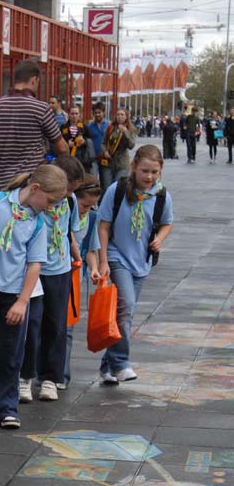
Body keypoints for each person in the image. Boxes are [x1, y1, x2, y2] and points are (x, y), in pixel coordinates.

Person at [0, 165, 67, 429]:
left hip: (14, 295)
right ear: (35, 189)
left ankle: (6, 408)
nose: (51, 207)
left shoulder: (38, 223)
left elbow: (34, 265)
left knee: (10, 354)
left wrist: (22, 301)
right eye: (50, 201)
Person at [96, 144, 174, 384]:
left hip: (141, 261)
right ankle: (121, 363)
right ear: (133, 167)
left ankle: (107, 366)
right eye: (144, 171)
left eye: (154, 172)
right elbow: (103, 225)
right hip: (117, 255)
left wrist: (160, 239)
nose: (149, 177)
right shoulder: (116, 190)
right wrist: (103, 261)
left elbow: (167, 223)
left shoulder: (161, 195)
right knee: (126, 307)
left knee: (124, 314)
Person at [19, 155, 84, 402]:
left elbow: (70, 233)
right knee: (31, 324)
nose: (67, 195)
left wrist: (78, 258)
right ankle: (25, 376)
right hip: (33, 269)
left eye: (71, 192)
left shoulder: (70, 201)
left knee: (57, 325)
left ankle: (50, 378)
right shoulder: (33, 199)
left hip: (60, 269)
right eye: (66, 190)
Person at [0, 60, 68, 200]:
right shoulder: (41, 109)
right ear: (34, 80)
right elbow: (62, 148)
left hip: (1, 188)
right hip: (31, 189)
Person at [63, 175, 103, 387]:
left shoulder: (92, 218)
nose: (86, 209)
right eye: (84, 204)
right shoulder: (64, 212)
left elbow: (90, 249)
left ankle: (62, 375)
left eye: (91, 206)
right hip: (57, 272)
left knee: (68, 327)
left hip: (75, 277)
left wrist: (94, 269)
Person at [98, 108, 136, 194]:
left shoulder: (130, 128)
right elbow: (103, 142)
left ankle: (117, 205)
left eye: (122, 115)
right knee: (107, 186)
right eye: (118, 115)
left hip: (122, 162)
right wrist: (104, 152)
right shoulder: (111, 127)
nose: (119, 117)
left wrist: (125, 132)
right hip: (109, 160)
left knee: (118, 186)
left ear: (126, 117)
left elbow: (131, 145)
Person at [61, 104, 93, 169]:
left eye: (76, 113)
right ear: (68, 115)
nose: (74, 116)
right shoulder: (63, 127)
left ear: (79, 115)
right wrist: (67, 144)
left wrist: (84, 142)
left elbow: (90, 140)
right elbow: (59, 141)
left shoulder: (84, 127)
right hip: (68, 158)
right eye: (72, 114)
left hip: (81, 159)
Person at [86, 104, 110, 175]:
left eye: (99, 112)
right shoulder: (89, 127)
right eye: (95, 113)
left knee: (106, 182)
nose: (97, 114)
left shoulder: (109, 125)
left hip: (105, 158)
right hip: (93, 158)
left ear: (103, 112)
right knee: (93, 180)